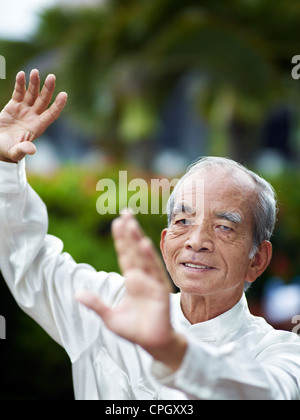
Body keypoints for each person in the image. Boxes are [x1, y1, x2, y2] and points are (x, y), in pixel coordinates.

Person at [0, 70, 300, 401]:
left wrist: (173, 353)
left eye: (224, 226)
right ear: (163, 241)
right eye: (183, 221)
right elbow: (27, 260)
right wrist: (3, 162)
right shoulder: (111, 305)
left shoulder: (281, 353)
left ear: (257, 259)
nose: (196, 240)